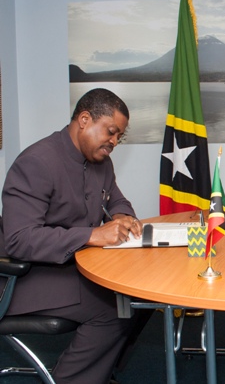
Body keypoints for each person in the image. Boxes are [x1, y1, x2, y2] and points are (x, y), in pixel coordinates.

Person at [1, 88, 144, 384]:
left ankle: (100, 371)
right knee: (114, 308)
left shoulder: (100, 162)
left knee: (143, 293)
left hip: (72, 268)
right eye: (111, 132)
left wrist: (121, 216)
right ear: (84, 119)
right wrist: (92, 235)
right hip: (24, 277)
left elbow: (116, 200)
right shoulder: (37, 162)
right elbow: (19, 239)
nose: (114, 142)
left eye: (119, 137)